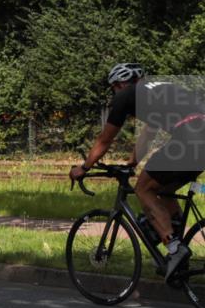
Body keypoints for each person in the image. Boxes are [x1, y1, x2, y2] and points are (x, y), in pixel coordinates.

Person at [70, 63, 205, 282]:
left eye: (114, 88)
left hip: (189, 137)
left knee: (143, 189)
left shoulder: (127, 95)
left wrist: (84, 167)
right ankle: (178, 249)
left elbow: (105, 140)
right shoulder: (156, 91)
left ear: (121, 83)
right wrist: (132, 162)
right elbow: (148, 135)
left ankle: (173, 247)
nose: (115, 93)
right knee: (163, 189)